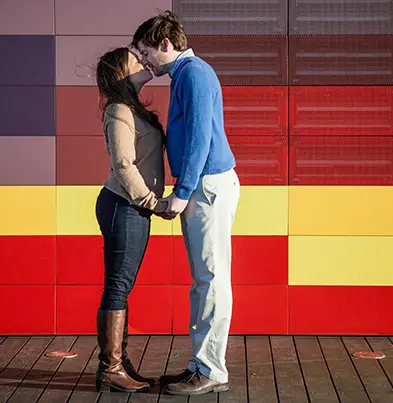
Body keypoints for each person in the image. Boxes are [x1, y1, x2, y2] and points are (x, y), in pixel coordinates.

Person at [132, 10, 241, 396]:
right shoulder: (187, 72)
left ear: (165, 44)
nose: (143, 61)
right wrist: (145, 72)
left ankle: (211, 369)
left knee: (211, 280)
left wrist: (181, 193)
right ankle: (201, 364)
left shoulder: (192, 74)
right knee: (204, 280)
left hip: (205, 187)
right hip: (205, 185)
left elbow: (198, 141)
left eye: (146, 53)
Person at [93, 47, 169, 393]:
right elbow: (124, 165)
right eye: (133, 59)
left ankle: (118, 362)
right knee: (119, 285)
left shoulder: (132, 108)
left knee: (122, 284)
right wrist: (152, 202)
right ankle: (110, 368)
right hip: (125, 205)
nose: (141, 61)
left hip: (133, 206)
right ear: (119, 73)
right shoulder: (118, 109)